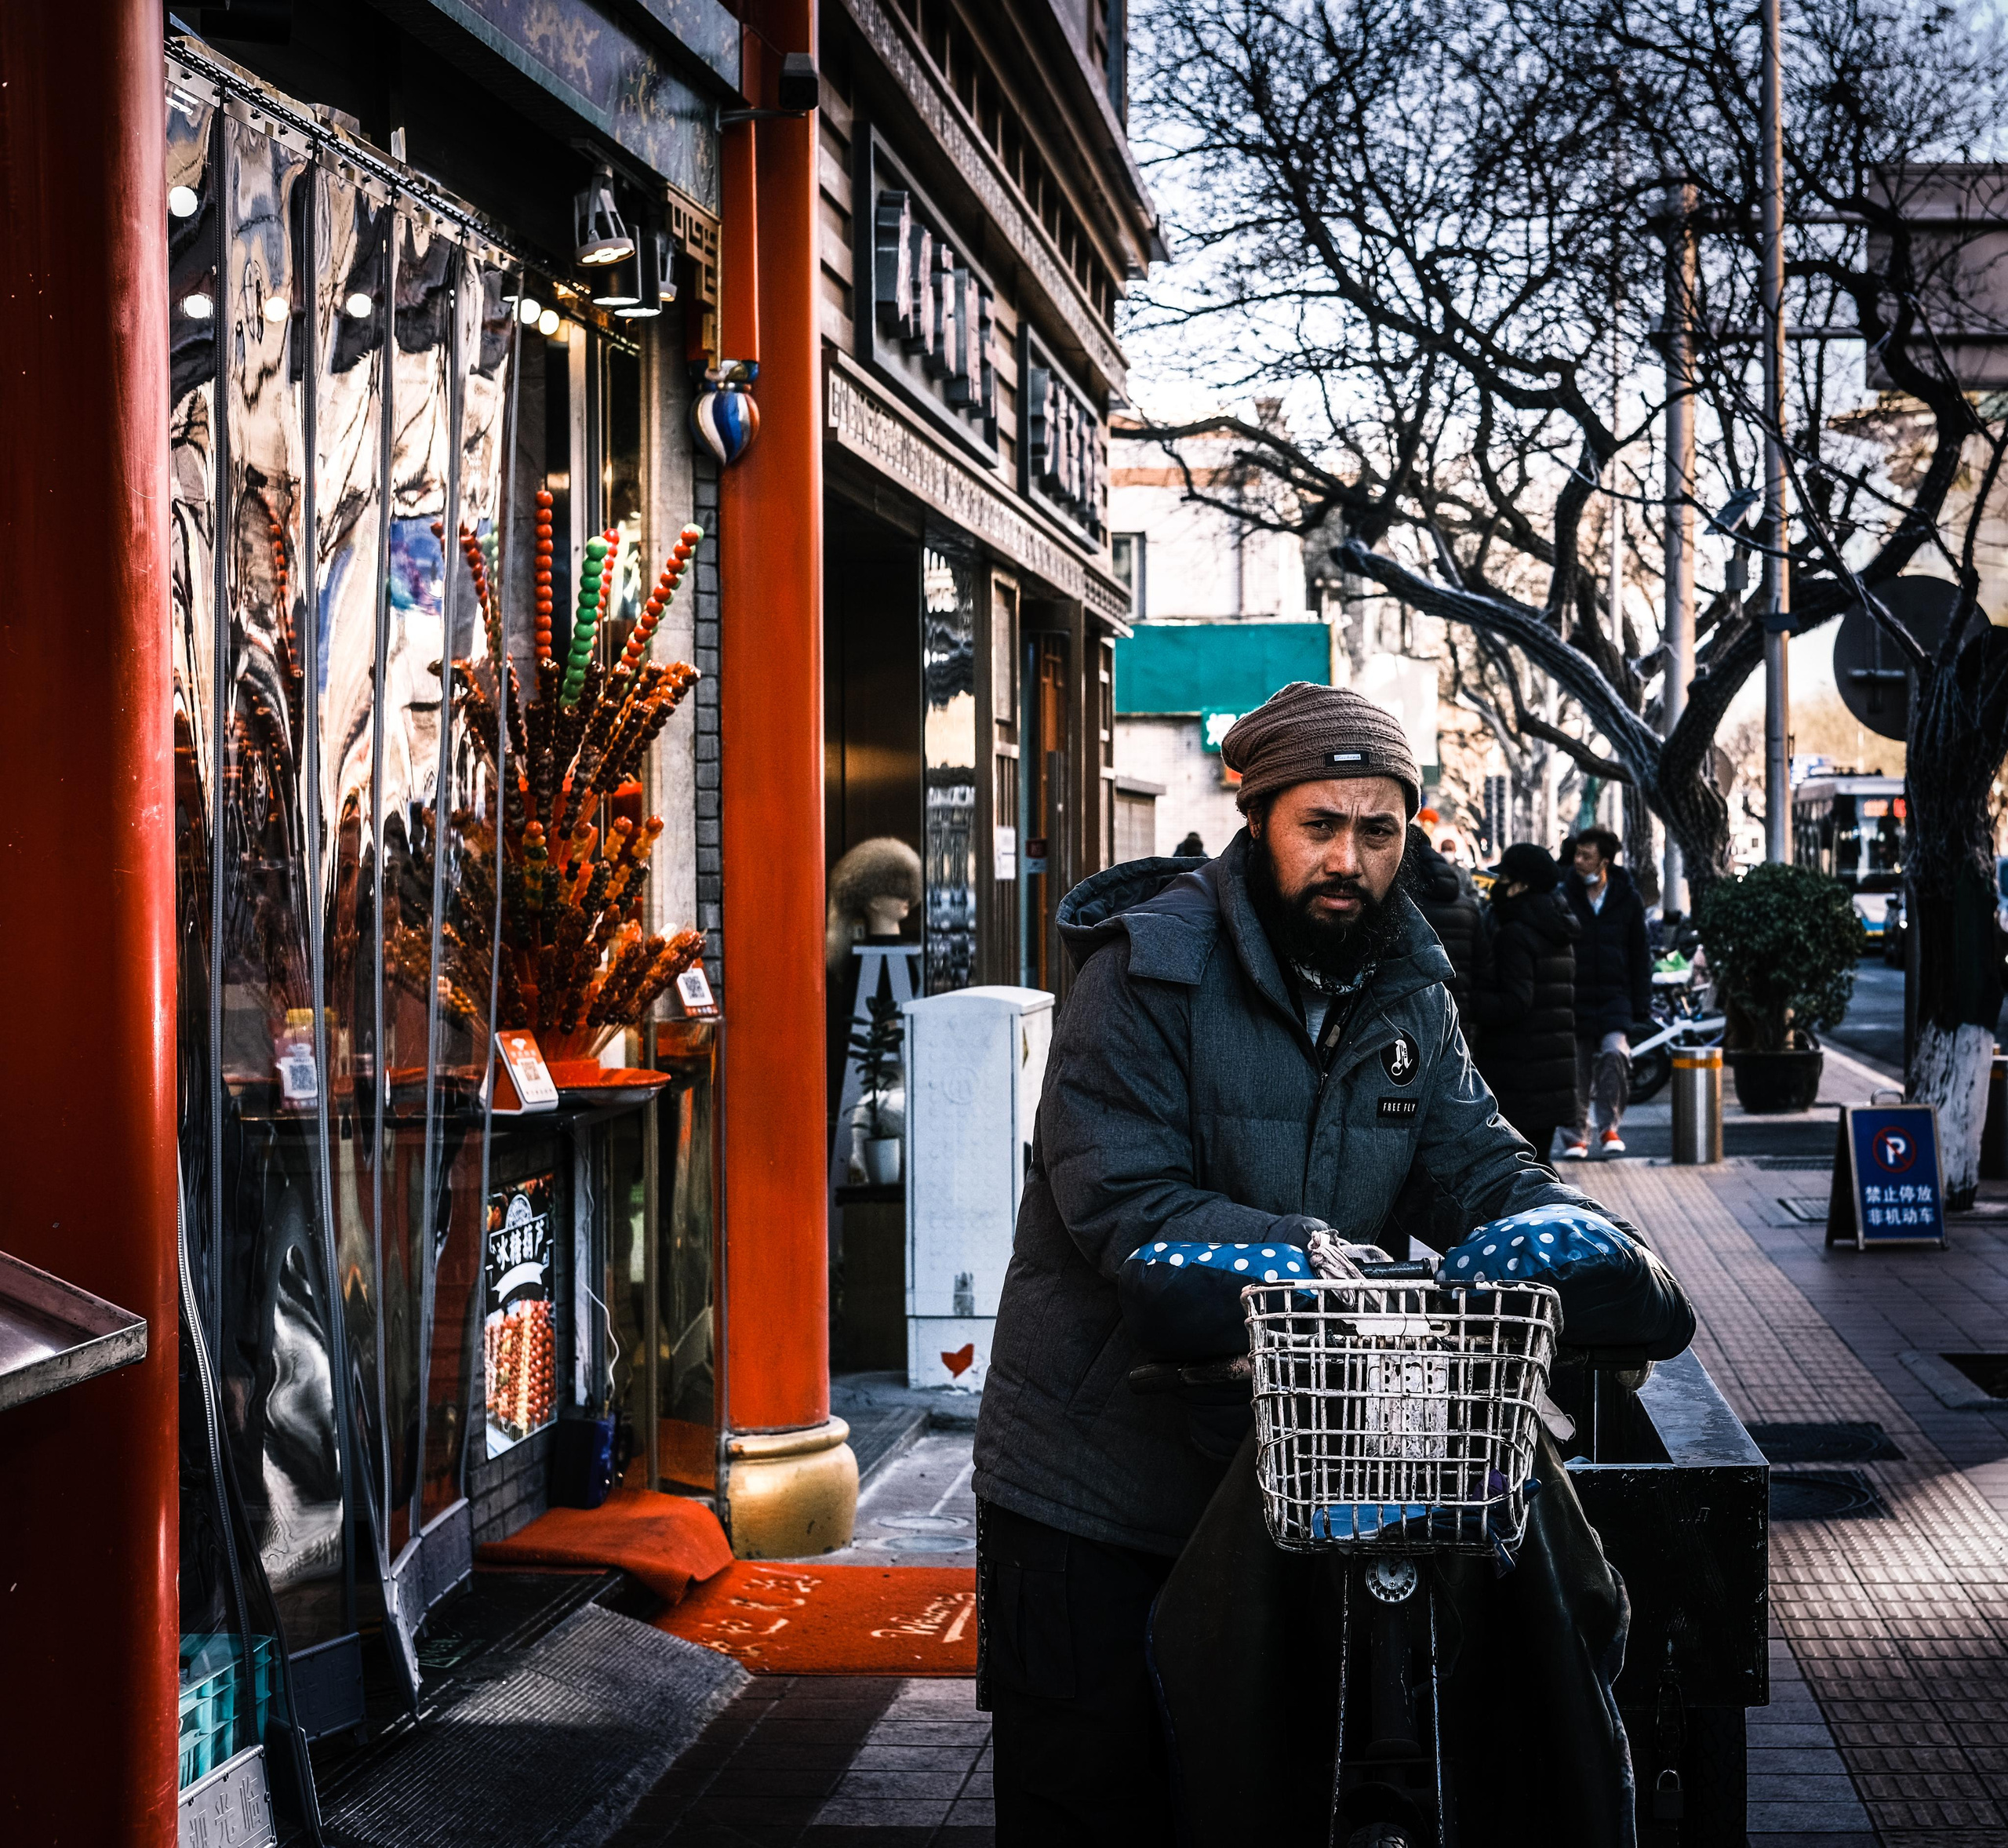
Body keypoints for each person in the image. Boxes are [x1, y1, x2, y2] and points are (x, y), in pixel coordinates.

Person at [972, 682, 1669, 1839]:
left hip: (1306, 1487)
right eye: (1322, 826)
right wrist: (1320, 1259)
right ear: (1259, 820)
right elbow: (1123, 1208)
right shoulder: (1138, 976)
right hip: (1100, 1483)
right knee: (1100, 1797)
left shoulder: (1413, 989)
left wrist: (1579, 1238)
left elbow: (1479, 1162)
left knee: (1281, 1794)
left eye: (1379, 829)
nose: (1349, 857)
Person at [1468, 842, 1579, 1162]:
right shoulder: (1557, 926)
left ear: (1522, 884)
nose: (1498, 886)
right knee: (1538, 1166)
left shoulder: (1515, 933)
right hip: (1550, 1072)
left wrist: (1466, 1003)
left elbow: (1516, 1002)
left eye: (1505, 879)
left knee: (1522, 1173)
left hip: (1520, 1074)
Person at [1560, 824, 1651, 1158]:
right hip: (1575, 995)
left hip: (1615, 996)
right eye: (1577, 854)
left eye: (1587, 855)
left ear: (1605, 861)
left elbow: (1641, 953)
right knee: (1577, 1067)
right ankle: (1575, 1134)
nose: (1578, 860)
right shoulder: (1564, 893)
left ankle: (1609, 1126)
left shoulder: (1627, 897)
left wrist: (1641, 1002)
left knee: (1615, 1055)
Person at [1406, 821, 1488, 1019]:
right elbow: (1484, 967)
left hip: (1414, 1013)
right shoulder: (1469, 909)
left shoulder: (1404, 908)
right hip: (1460, 1010)